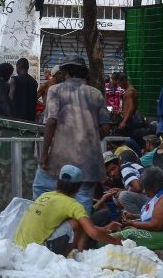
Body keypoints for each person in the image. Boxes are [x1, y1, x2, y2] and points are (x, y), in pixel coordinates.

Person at [36, 55, 110, 213]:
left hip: (60, 159)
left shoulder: (55, 90)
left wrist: (44, 155)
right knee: (81, 208)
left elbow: (51, 121)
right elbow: (105, 129)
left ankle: (51, 232)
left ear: (66, 71)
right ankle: (77, 235)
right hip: (90, 164)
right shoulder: (96, 94)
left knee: (42, 192)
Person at [15, 165, 121, 256]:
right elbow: (92, 231)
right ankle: (73, 255)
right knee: (77, 222)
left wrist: (105, 229)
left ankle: (78, 252)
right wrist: (115, 241)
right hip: (38, 253)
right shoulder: (72, 205)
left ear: (57, 183)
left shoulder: (44, 195)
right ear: (79, 188)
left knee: (79, 221)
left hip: (20, 248)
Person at [114, 167, 163, 250]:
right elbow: (153, 217)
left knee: (129, 234)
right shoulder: (156, 195)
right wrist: (132, 216)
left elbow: (155, 226)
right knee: (128, 232)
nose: (144, 192)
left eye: (146, 189)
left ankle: (100, 241)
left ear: (153, 187)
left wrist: (131, 223)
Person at [102, 150, 147, 215]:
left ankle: (139, 220)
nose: (112, 174)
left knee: (123, 196)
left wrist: (121, 192)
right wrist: (120, 190)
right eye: (108, 172)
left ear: (119, 163)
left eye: (113, 168)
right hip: (149, 198)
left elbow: (138, 188)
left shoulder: (125, 168)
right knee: (117, 196)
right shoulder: (125, 169)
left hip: (153, 198)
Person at [114, 73, 145, 149]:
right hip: (130, 119)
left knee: (129, 140)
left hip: (130, 120)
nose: (119, 86)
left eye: (119, 83)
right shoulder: (129, 90)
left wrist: (124, 121)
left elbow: (131, 107)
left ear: (124, 81)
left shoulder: (129, 92)